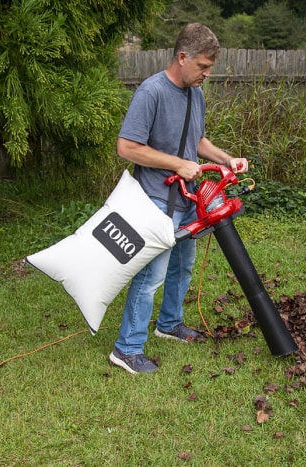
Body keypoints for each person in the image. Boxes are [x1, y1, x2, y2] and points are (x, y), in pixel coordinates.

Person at [109, 23, 249, 374]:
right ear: (182, 57)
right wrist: (178, 164)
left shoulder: (195, 94)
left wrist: (225, 159)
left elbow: (196, 141)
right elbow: (127, 147)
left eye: (210, 68)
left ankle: (169, 323)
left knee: (183, 264)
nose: (207, 74)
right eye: (202, 66)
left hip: (188, 201)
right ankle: (127, 349)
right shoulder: (151, 92)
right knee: (151, 275)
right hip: (155, 198)